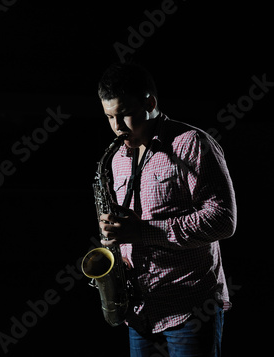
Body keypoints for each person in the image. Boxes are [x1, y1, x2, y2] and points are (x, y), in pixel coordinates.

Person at [96, 62, 237, 356]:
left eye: (125, 114)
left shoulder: (192, 144)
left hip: (189, 308)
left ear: (150, 103)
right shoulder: (116, 158)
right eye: (110, 117)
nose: (117, 127)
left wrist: (143, 232)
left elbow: (223, 220)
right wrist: (117, 246)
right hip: (140, 308)